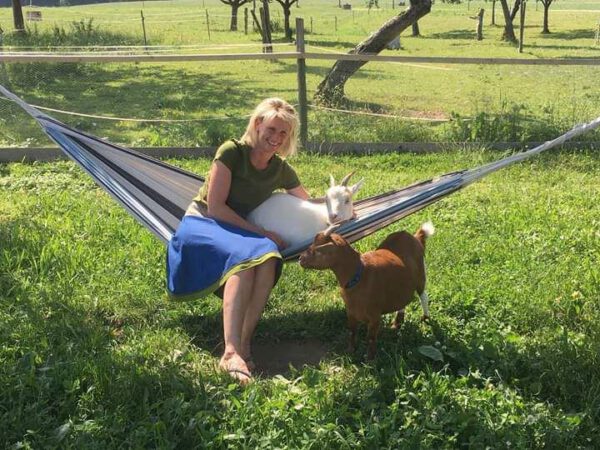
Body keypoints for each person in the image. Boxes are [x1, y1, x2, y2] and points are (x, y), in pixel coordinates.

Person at [167, 98, 310, 384]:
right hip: (203, 223)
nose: (276, 138)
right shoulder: (231, 151)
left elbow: (309, 202)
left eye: (284, 133)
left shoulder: (280, 169)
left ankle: (244, 342)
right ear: (257, 125)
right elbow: (217, 207)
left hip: (238, 232)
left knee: (268, 257)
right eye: (271, 129)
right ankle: (230, 352)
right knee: (246, 259)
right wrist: (262, 233)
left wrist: (341, 206)